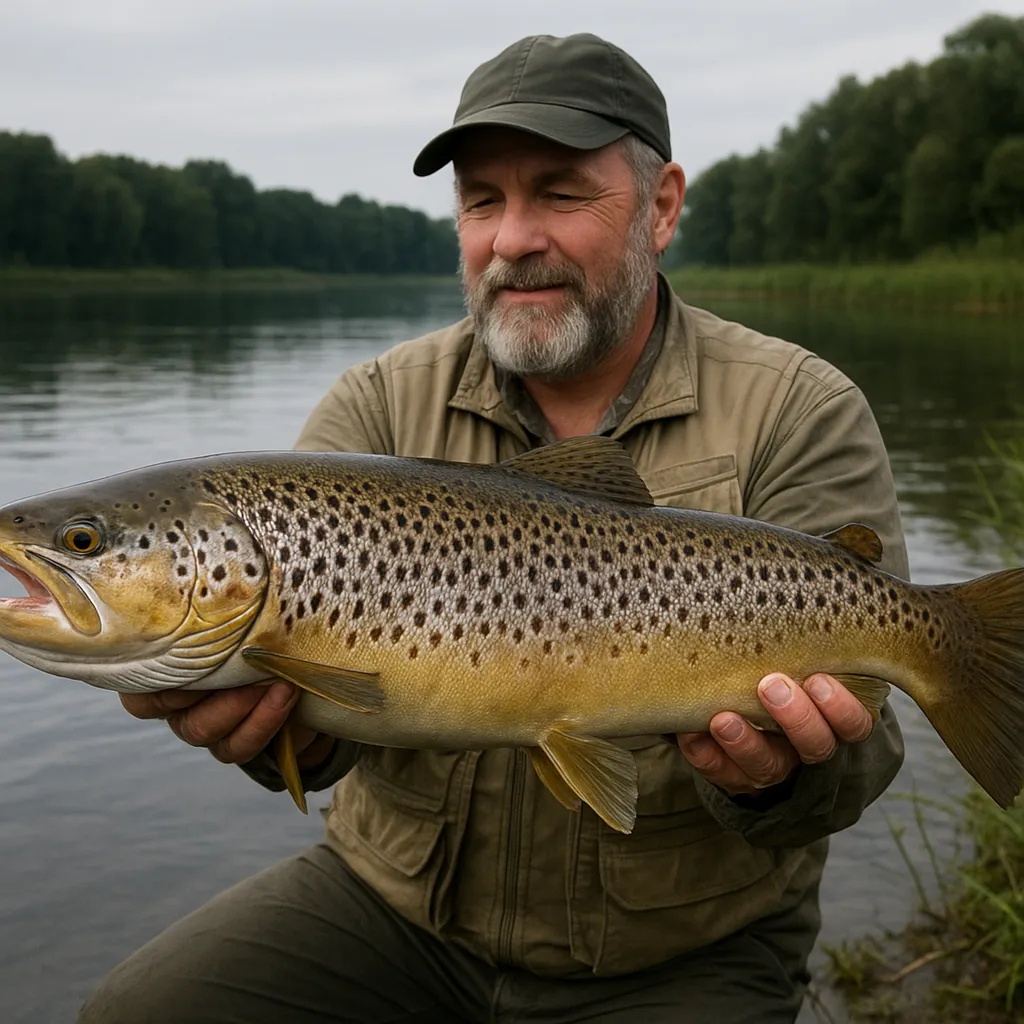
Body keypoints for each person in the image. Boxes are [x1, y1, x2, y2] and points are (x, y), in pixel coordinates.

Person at [80, 32, 908, 1024]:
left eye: (558, 193)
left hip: (685, 948)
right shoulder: (377, 405)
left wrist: (772, 780)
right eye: (481, 201)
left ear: (661, 207)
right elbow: (324, 734)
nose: (512, 238)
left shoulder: (798, 409)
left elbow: (862, 761)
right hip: (398, 916)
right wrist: (265, 734)